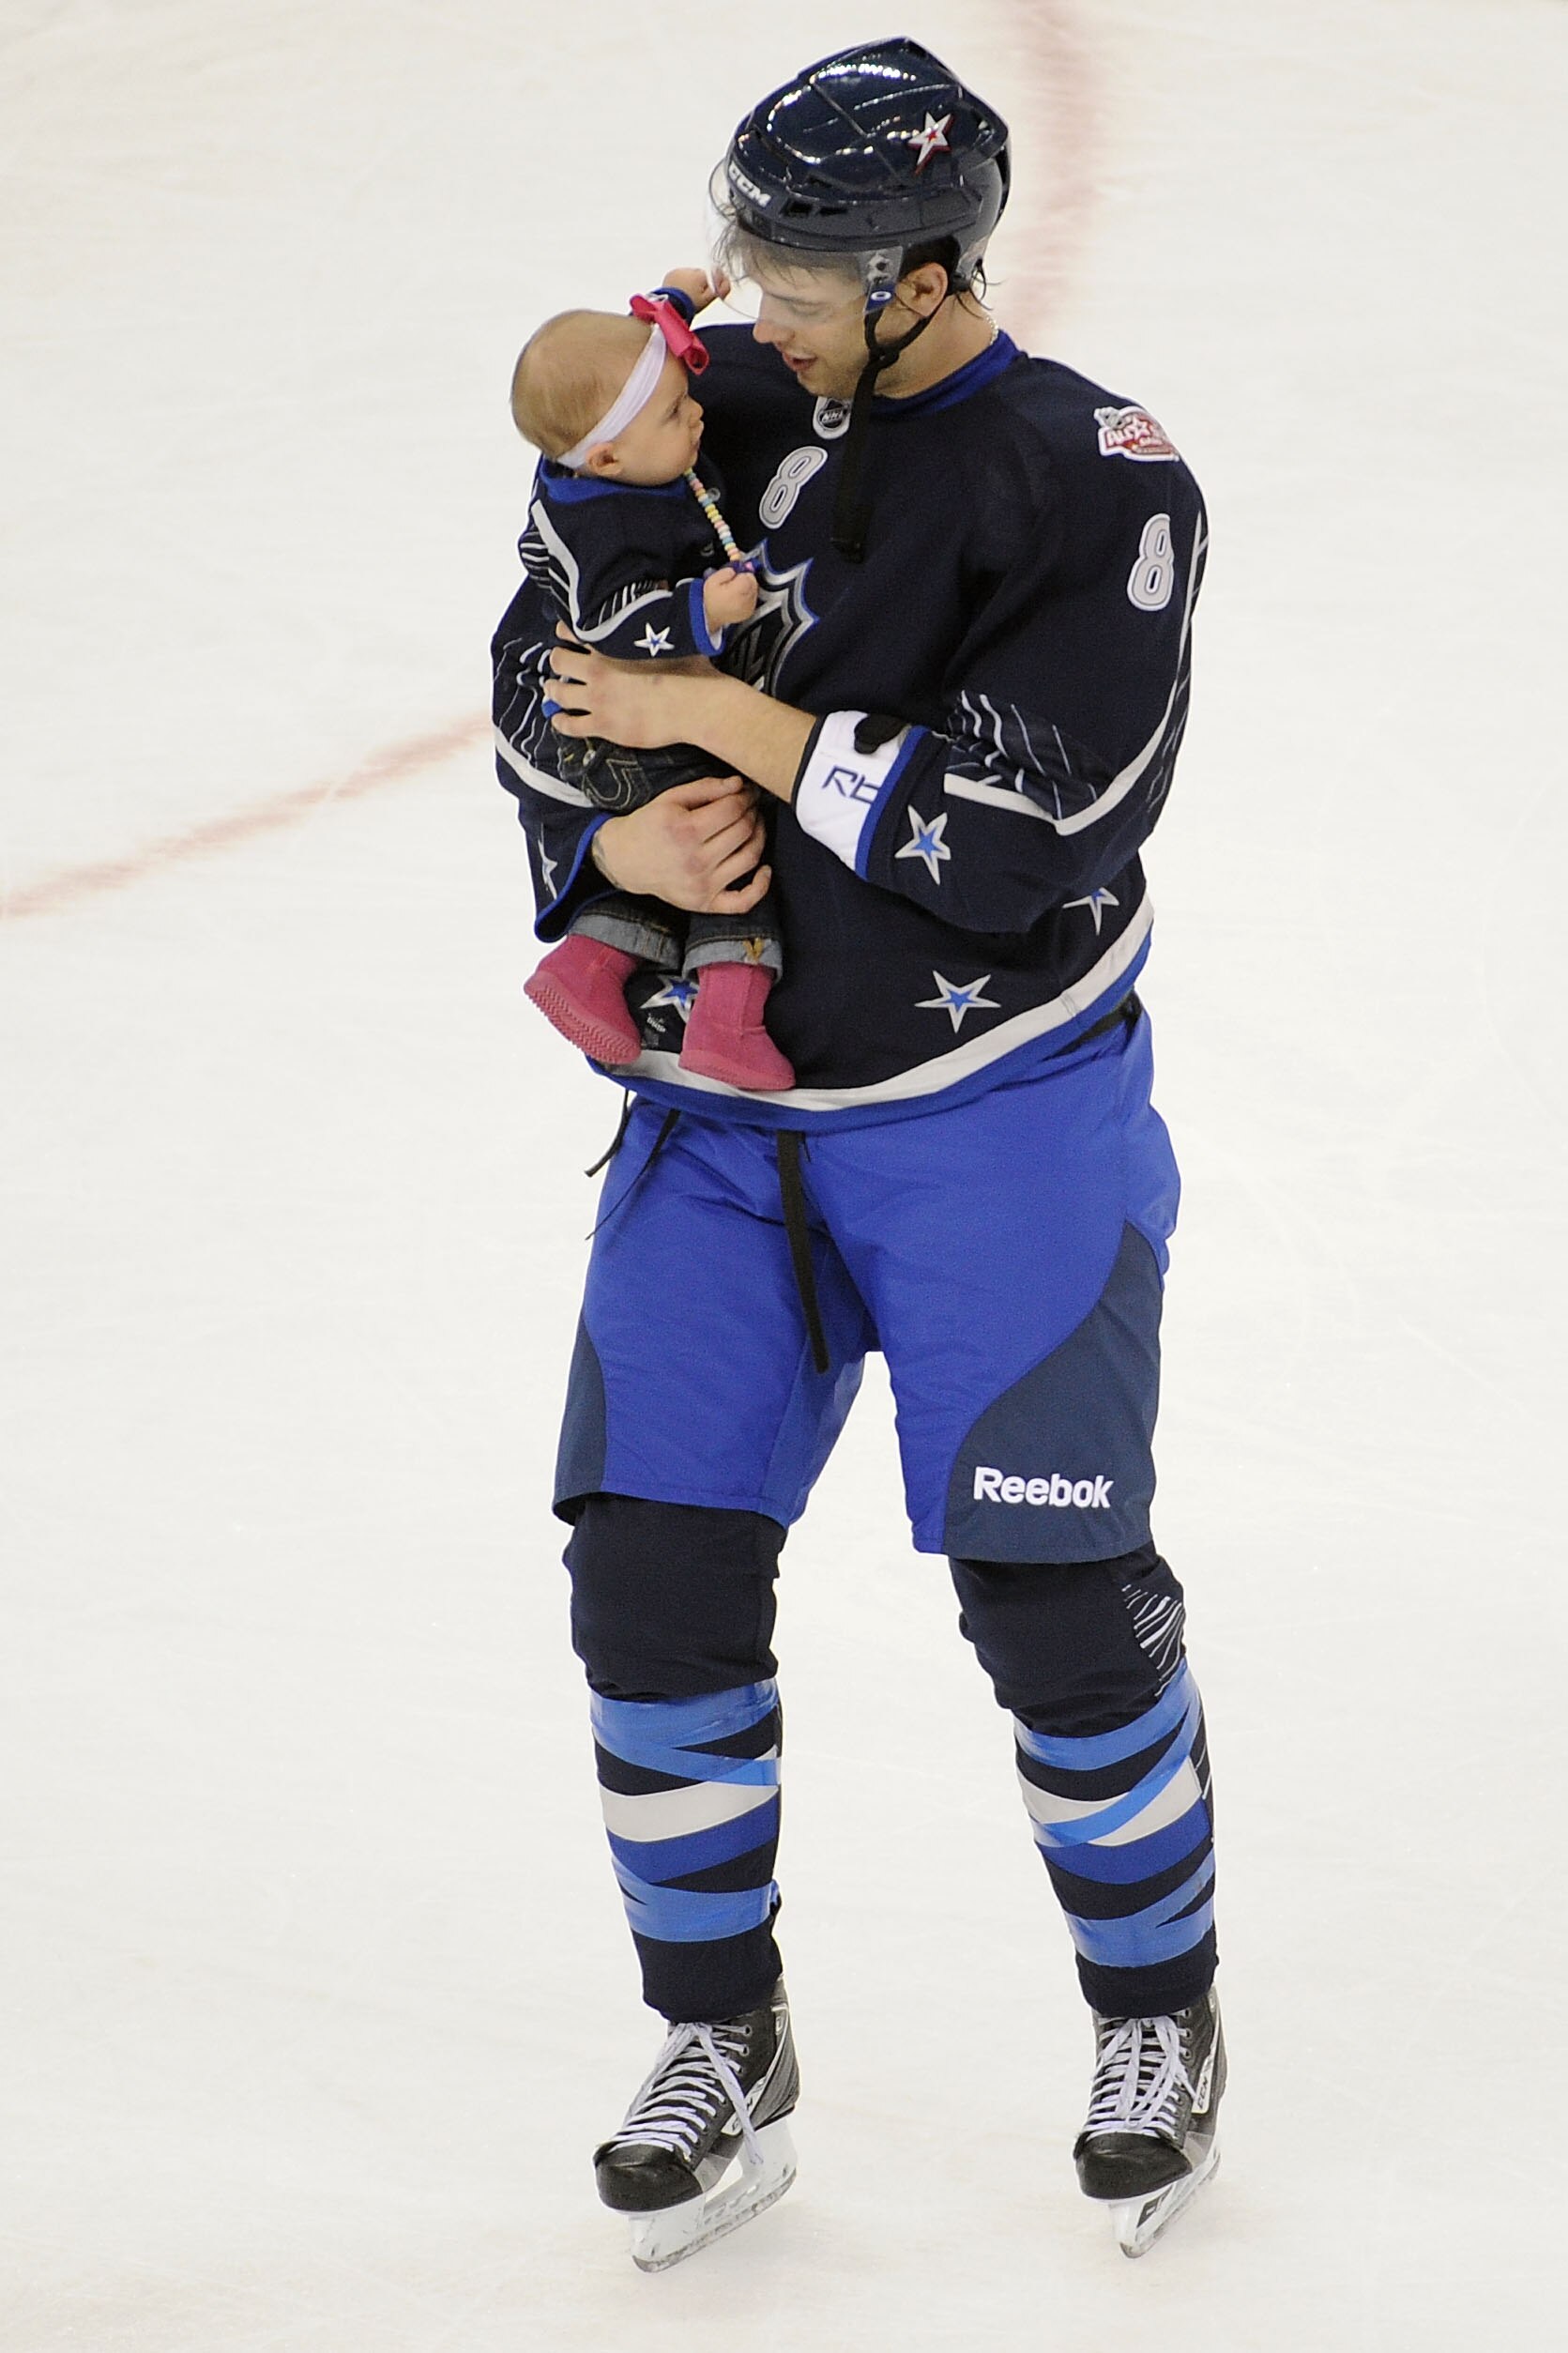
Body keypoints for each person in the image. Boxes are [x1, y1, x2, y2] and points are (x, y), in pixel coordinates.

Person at [491, 36, 1224, 2269]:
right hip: (712, 1137)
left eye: (798, 268)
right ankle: (723, 2038)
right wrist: (611, 808)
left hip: (987, 1127)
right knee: (644, 1583)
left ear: (921, 274)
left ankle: (1156, 2021)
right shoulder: (683, 391)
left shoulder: (1092, 480)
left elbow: (1001, 846)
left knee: (1050, 1605)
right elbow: (542, 660)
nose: (749, 298)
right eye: (744, 249)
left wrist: (723, 717)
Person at [508, 274, 792, 1090]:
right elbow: (610, 621)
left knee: (675, 850)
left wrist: (677, 300)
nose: (696, 413)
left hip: (636, 725)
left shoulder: (607, 459)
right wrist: (703, 609)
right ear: (606, 457)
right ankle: (728, 1022)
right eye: (673, 414)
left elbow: (635, 349)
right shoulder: (607, 522)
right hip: (631, 721)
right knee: (727, 841)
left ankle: (588, 967)